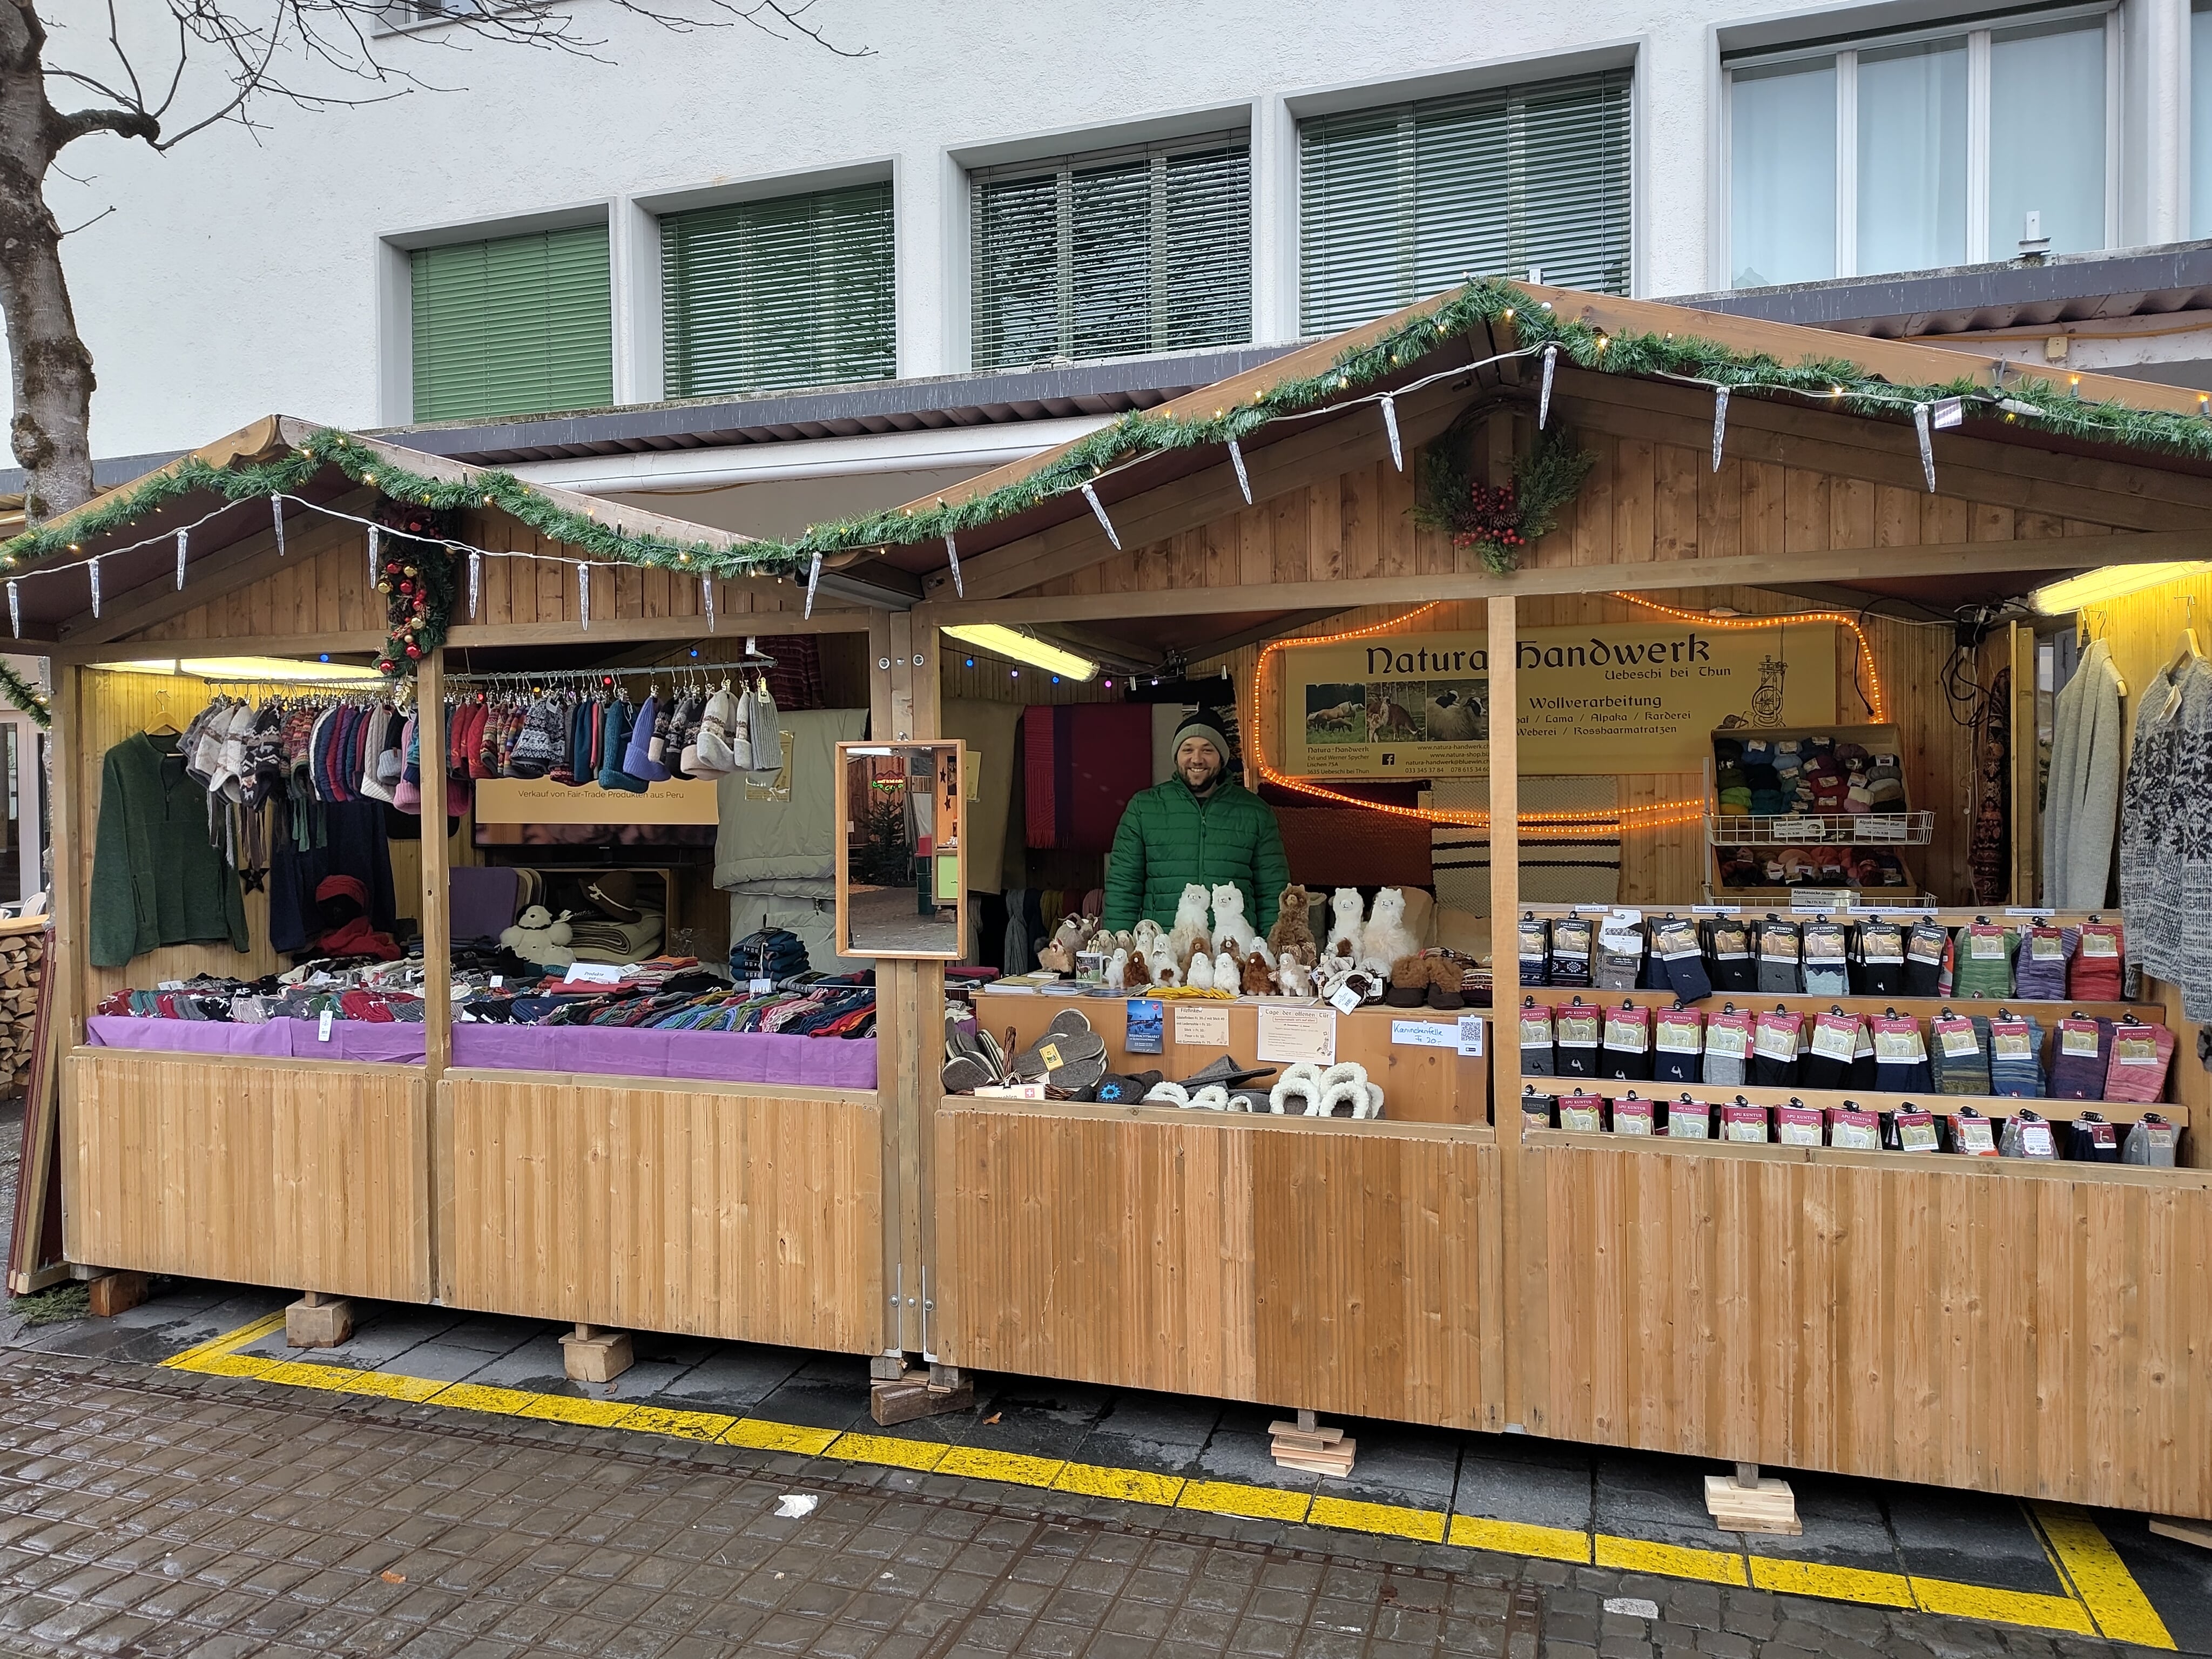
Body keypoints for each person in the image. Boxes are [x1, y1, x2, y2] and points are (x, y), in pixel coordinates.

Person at [1103, 712, 1291, 936]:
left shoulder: (1256, 812)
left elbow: (1272, 892)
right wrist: (1117, 948)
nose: (1197, 759)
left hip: (1234, 952)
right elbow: (1123, 888)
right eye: (1188, 749)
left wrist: (1275, 951)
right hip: (1162, 952)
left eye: (1208, 750)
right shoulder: (1144, 808)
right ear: (1177, 756)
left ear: (1221, 757)